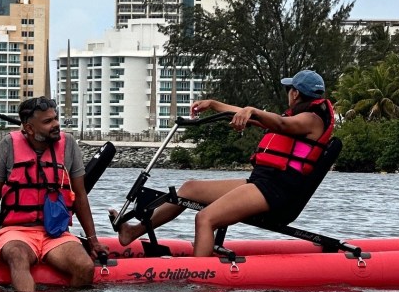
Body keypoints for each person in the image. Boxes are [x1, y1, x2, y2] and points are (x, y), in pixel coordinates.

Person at [111, 70, 335, 257]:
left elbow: (281, 124)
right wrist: (214, 104)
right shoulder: (296, 116)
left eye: (289, 90)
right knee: (190, 189)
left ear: (295, 93)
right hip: (261, 182)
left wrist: (253, 110)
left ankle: (199, 279)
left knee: (205, 218)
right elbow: (253, 116)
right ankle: (132, 233)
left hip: (275, 192)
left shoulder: (311, 119)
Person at [0, 97, 108, 292]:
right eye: (48, 121)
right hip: (16, 232)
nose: (56, 124)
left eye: (55, 119)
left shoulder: (69, 145)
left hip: (56, 234)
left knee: (85, 267)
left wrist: (94, 242)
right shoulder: (8, 146)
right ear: (29, 128)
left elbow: (80, 196)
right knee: (17, 256)